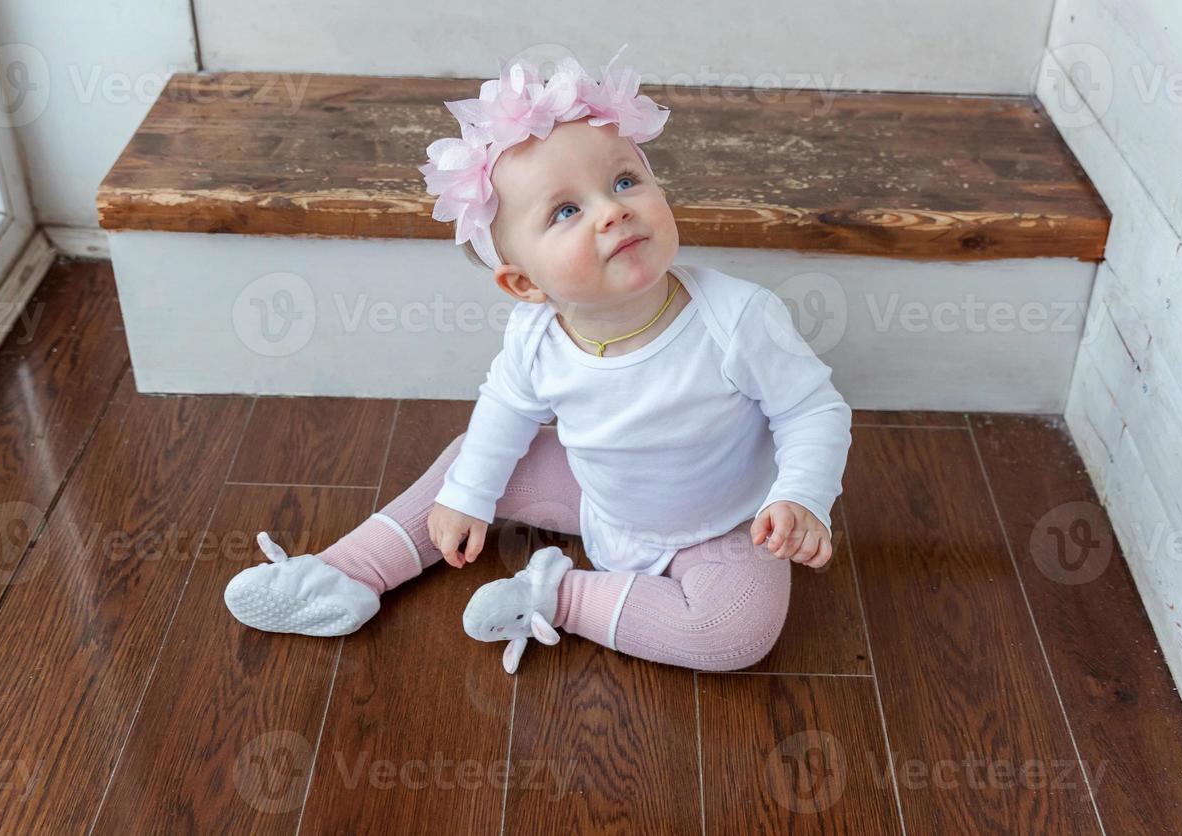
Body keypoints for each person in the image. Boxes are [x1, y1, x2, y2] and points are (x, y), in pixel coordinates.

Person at [224, 45, 853, 673]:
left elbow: (813, 411)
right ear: (525, 285)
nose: (614, 210)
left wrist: (801, 497)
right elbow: (504, 407)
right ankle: (348, 572)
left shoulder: (736, 317)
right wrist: (471, 494)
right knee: (471, 462)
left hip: (725, 522)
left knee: (732, 634)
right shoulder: (536, 334)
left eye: (625, 181)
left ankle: (557, 596)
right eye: (567, 211)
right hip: (595, 496)